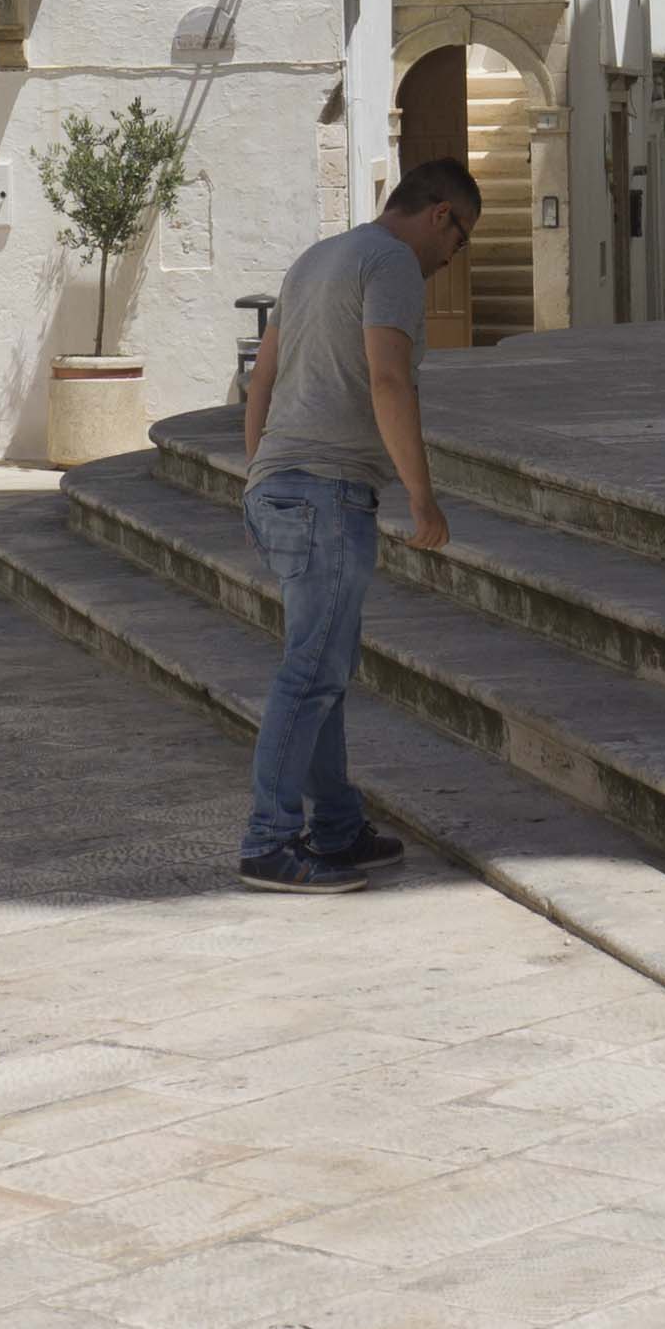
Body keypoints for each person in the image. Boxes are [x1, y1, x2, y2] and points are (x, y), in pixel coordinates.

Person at [226, 159, 473, 893]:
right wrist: (423, 498)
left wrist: (261, 469)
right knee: (310, 672)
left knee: (322, 667)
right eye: (460, 242)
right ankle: (269, 842)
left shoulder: (315, 258)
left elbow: (260, 380)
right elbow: (389, 377)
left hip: (282, 488)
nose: (451, 260)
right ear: (440, 215)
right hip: (328, 494)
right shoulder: (390, 261)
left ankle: (335, 826)